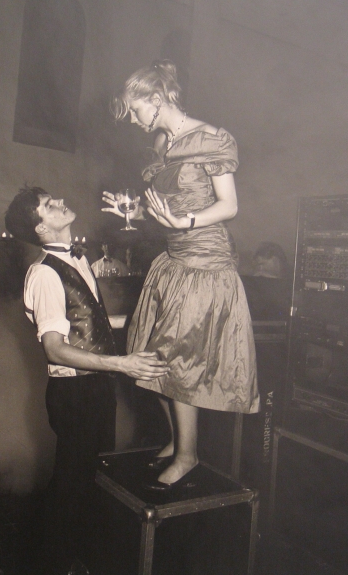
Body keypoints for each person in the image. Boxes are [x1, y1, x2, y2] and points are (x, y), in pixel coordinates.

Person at [103, 59, 259, 490]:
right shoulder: (161, 143)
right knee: (147, 355)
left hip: (204, 262)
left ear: (157, 99)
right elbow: (166, 208)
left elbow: (229, 206)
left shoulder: (211, 138)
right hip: (172, 260)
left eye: (136, 110)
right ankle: (178, 440)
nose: (133, 121)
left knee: (177, 359)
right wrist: (134, 213)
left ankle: (189, 455)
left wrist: (185, 222)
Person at [5, 187, 168, 575]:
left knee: (89, 484)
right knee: (71, 490)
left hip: (95, 387)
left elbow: (90, 324)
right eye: (49, 205)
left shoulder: (78, 258)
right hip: (74, 392)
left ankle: (73, 562)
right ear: (40, 227)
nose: (61, 202)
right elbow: (55, 350)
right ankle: (50, 566)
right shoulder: (44, 273)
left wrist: (142, 325)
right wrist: (122, 364)